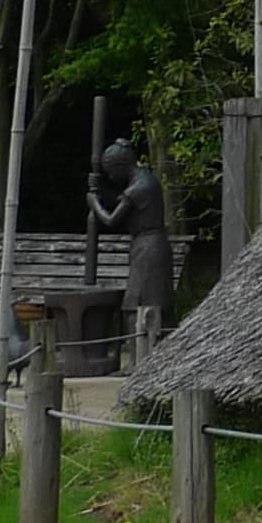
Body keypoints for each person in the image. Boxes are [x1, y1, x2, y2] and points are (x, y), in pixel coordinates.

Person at [90, 137, 172, 362]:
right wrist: (100, 189)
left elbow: (111, 220)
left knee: (136, 304)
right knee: (142, 303)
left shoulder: (139, 188)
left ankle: (143, 359)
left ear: (120, 166)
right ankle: (142, 358)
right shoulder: (144, 181)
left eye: (111, 173)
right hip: (146, 247)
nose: (112, 178)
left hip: (149, 250)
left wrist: (94, 202)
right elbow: (120, 201)